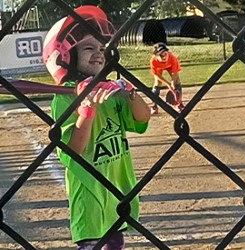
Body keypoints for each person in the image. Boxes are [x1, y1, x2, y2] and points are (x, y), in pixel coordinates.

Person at [42, 5, 151, 250]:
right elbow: (74, 148)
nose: (99, 54)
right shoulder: (65, 99)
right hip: (90, 200)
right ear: (65, 56)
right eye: (88, 48)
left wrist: (128, 92)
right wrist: (86, 108)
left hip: (116, 195)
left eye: (101, 48)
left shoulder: (110, 93)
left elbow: (143, 118)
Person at [149, 42, 184, 115]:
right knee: (157, 83)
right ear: (156, 56)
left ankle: (179, 104)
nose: (164, 57)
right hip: (159, 67)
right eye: (161, 55)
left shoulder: (172, 58)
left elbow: (174, 73)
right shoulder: (153, 61)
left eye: (165, 54)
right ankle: (154, 106)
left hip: (170, 66)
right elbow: (157, 75)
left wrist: (172, 83)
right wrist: (168, 84)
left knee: (177, 81)